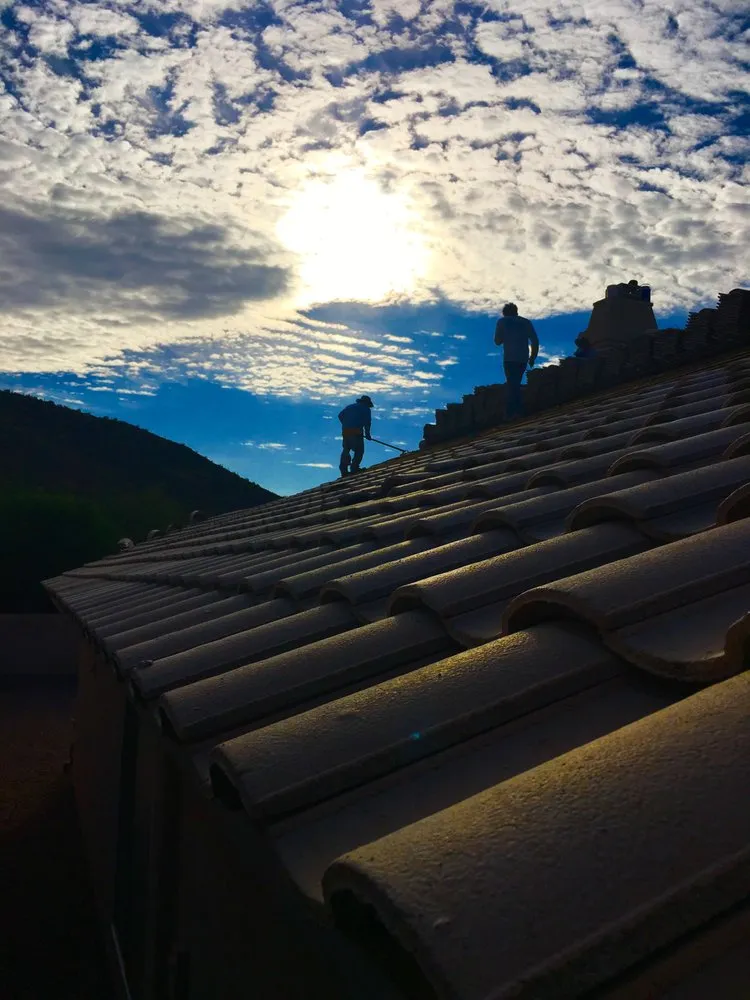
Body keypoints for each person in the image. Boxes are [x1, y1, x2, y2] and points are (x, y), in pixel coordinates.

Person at [494, 303, 539, 420]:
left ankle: (513, 412)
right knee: (515, 382)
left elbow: (497, 341)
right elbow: (535, 340)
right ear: (516, 311)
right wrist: (533, 357)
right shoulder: (525, 322)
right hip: (523, 357)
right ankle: (515, 411)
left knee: (512, 384)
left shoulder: (502, 321)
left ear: (504, 313)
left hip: (509, 357)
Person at [338, 395, 373, 476]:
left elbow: (340, 416)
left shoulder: (349, 407)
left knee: (346, 449)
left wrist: (346, 424)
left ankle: (343, 470)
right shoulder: (366, 409)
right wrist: (367, 434)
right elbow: (367, 423)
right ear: (367, 403)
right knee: (359, 450)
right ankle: (354, 468)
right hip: (356, 431)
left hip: (346, 431)